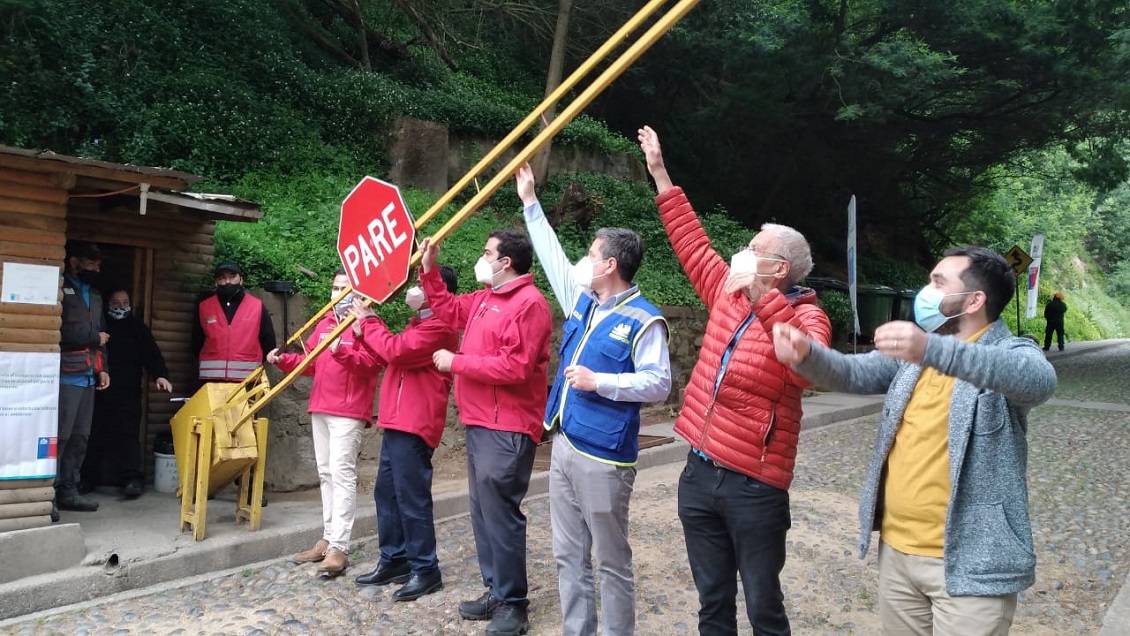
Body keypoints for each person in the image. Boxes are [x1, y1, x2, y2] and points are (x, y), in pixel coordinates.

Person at [773, 246, 1057, 636]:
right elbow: (854, 372)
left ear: (974, 300)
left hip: (972, 566)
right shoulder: (918, 353)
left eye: (938, 282)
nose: (927, 291)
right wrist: (808, 355)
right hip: (897, 554)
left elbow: (1038, 381)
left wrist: (931, 349)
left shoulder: (1008, 351)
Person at [638, 125, 833, 635]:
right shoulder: (728, 293)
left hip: (755, 484)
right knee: (712, 602)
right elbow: (692, 243)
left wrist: (762, 298)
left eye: (753, 248)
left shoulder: (809, 317)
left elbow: (808, 367)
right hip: (700, 470)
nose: (742, 253)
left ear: (779, 267)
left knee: (764, 606)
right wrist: (660, 173)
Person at [516, 163, 672, 636]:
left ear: (610, 266)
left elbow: (659, 384)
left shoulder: (644, 320)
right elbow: (553, 259)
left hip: (605, 459)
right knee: (568, 555)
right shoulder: (583, 301)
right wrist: (530, 203)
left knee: (611, 561)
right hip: (564, 444)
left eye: (591, 254)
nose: (583, 262)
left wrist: (599, 381)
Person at [418, 230, 553, 636]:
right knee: (483, 514)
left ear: (505, 262)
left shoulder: (529, 304)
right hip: (481, 422)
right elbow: (447, 308)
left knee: (501, 515)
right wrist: (429, 271)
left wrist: (456, 362)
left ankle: (514, 604)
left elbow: (516, 367)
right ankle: (497, 589)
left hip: (507, 425)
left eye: (487, 252)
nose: (482, 258)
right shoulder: (484, 298)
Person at [350, 266, 460, 603]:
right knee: (386, 494)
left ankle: (425, 568)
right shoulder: (419, 324)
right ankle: (395, 558)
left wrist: (370, 321)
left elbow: (397, 351)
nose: (415, 290)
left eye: (422, 285)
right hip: (398, 420)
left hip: (415, 422)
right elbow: (392, 355)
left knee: (411, 497)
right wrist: (364, 332)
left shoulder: (440, 326)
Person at [267, 270, 381, 577]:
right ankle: (329, 538)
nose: (338, 293)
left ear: (358, 294)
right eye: (335, 287)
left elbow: (373, 364)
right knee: (326, 474)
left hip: (348, 410)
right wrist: (284, 361)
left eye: (345, 288)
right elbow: (311, 363)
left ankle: (339, 546)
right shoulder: (325, 323)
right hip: (322, 406)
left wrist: (343, 352)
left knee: (341, 475)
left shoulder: (367, 322)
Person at [82, 289, 172, 499]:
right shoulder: (100, 326)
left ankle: (132, 480)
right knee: (94, 436)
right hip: (99, 391)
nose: (120, 306)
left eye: (124, 302)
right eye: (116, 302)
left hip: (128, 394)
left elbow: (152, 355)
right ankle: (87, 478)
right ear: (108, 304)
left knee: (128, 437)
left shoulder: (138, 328)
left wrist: (160, 376)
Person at [56, 240, 111, 514]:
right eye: (91, 264)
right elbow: (56, 330)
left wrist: (104, 368)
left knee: (80, 437)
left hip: (89, 375)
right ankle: (47, 494)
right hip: (66, 375)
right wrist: (93, 338)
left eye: (98, 265)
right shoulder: (60, 289)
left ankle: (69, 491)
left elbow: (103, 337)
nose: (96, 270)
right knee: (60, 438)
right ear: (75, 262)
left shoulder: (96, 295)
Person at [192, 261, 277, 383]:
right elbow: (196, 343)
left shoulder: (256, 306)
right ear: (216, 282)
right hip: (210, 381)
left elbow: (269, 342)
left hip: (247, 382)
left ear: (241, 280)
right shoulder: (205, 307)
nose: (227, 281)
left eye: (232, 277)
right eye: (222, 278)